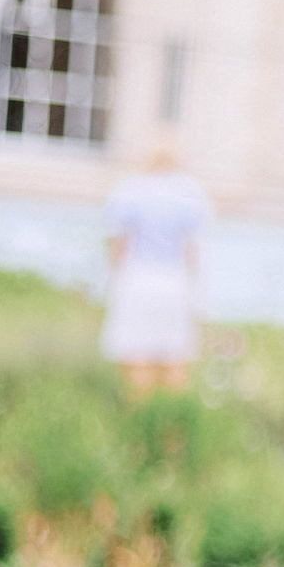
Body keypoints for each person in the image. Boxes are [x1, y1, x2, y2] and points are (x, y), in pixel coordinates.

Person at [100, 139, 212, 397]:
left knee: (137, 353)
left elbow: (117, 246)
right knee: (175, 355)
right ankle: (170, 415)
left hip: (138, 279)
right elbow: (194, 252)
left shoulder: (128, 191)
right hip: (174, 281)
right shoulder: (190, 195)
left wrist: (114, 283)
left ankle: (142, 412)